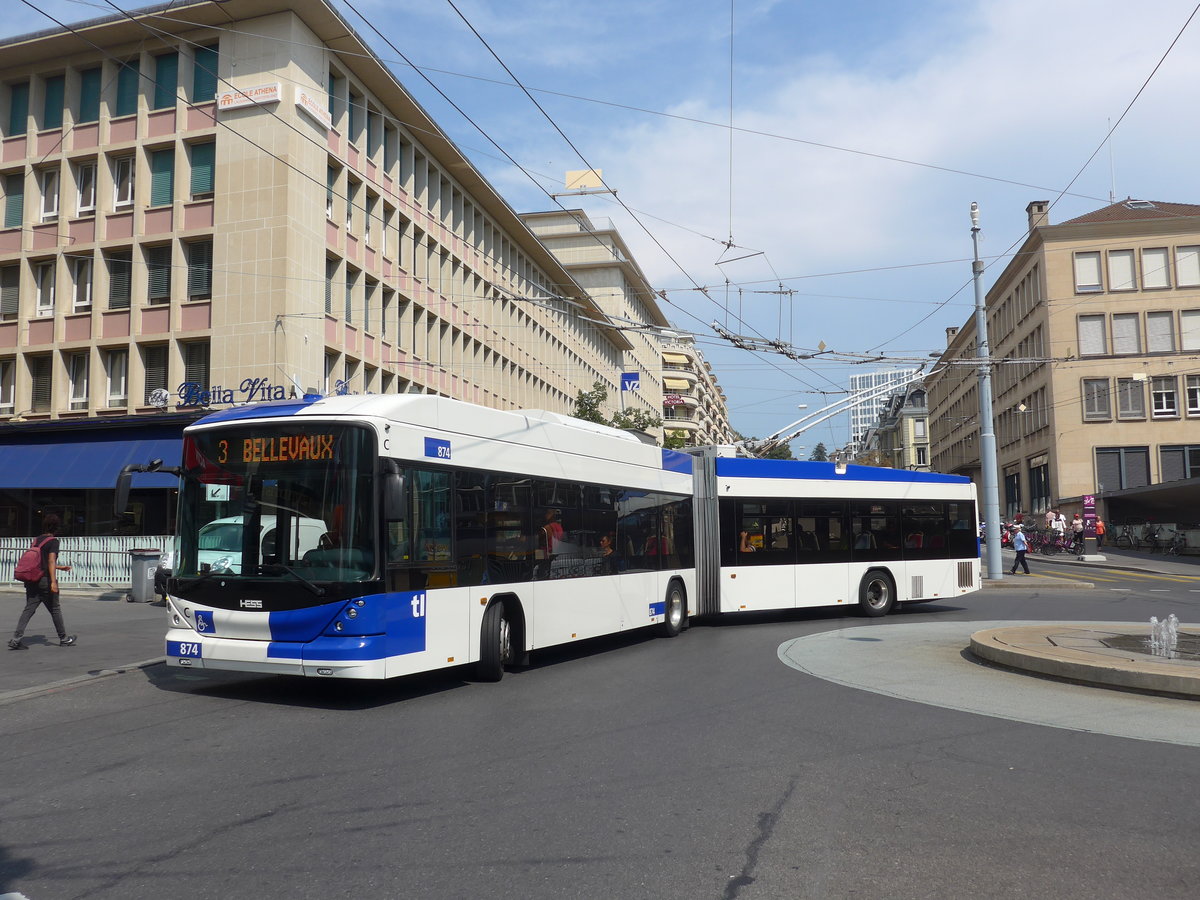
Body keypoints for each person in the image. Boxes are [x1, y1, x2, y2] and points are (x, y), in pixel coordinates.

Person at [9, 514, 75, 649]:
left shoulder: (36, 540)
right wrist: (53, 582)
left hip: (32, 579)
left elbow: (40, 562)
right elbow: (50, 561)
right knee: (55, 609)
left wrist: (60, 567)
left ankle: (16, 639)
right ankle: (64, 639)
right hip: (45, 580)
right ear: (56, 528)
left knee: (28, 610)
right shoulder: (53, 541)